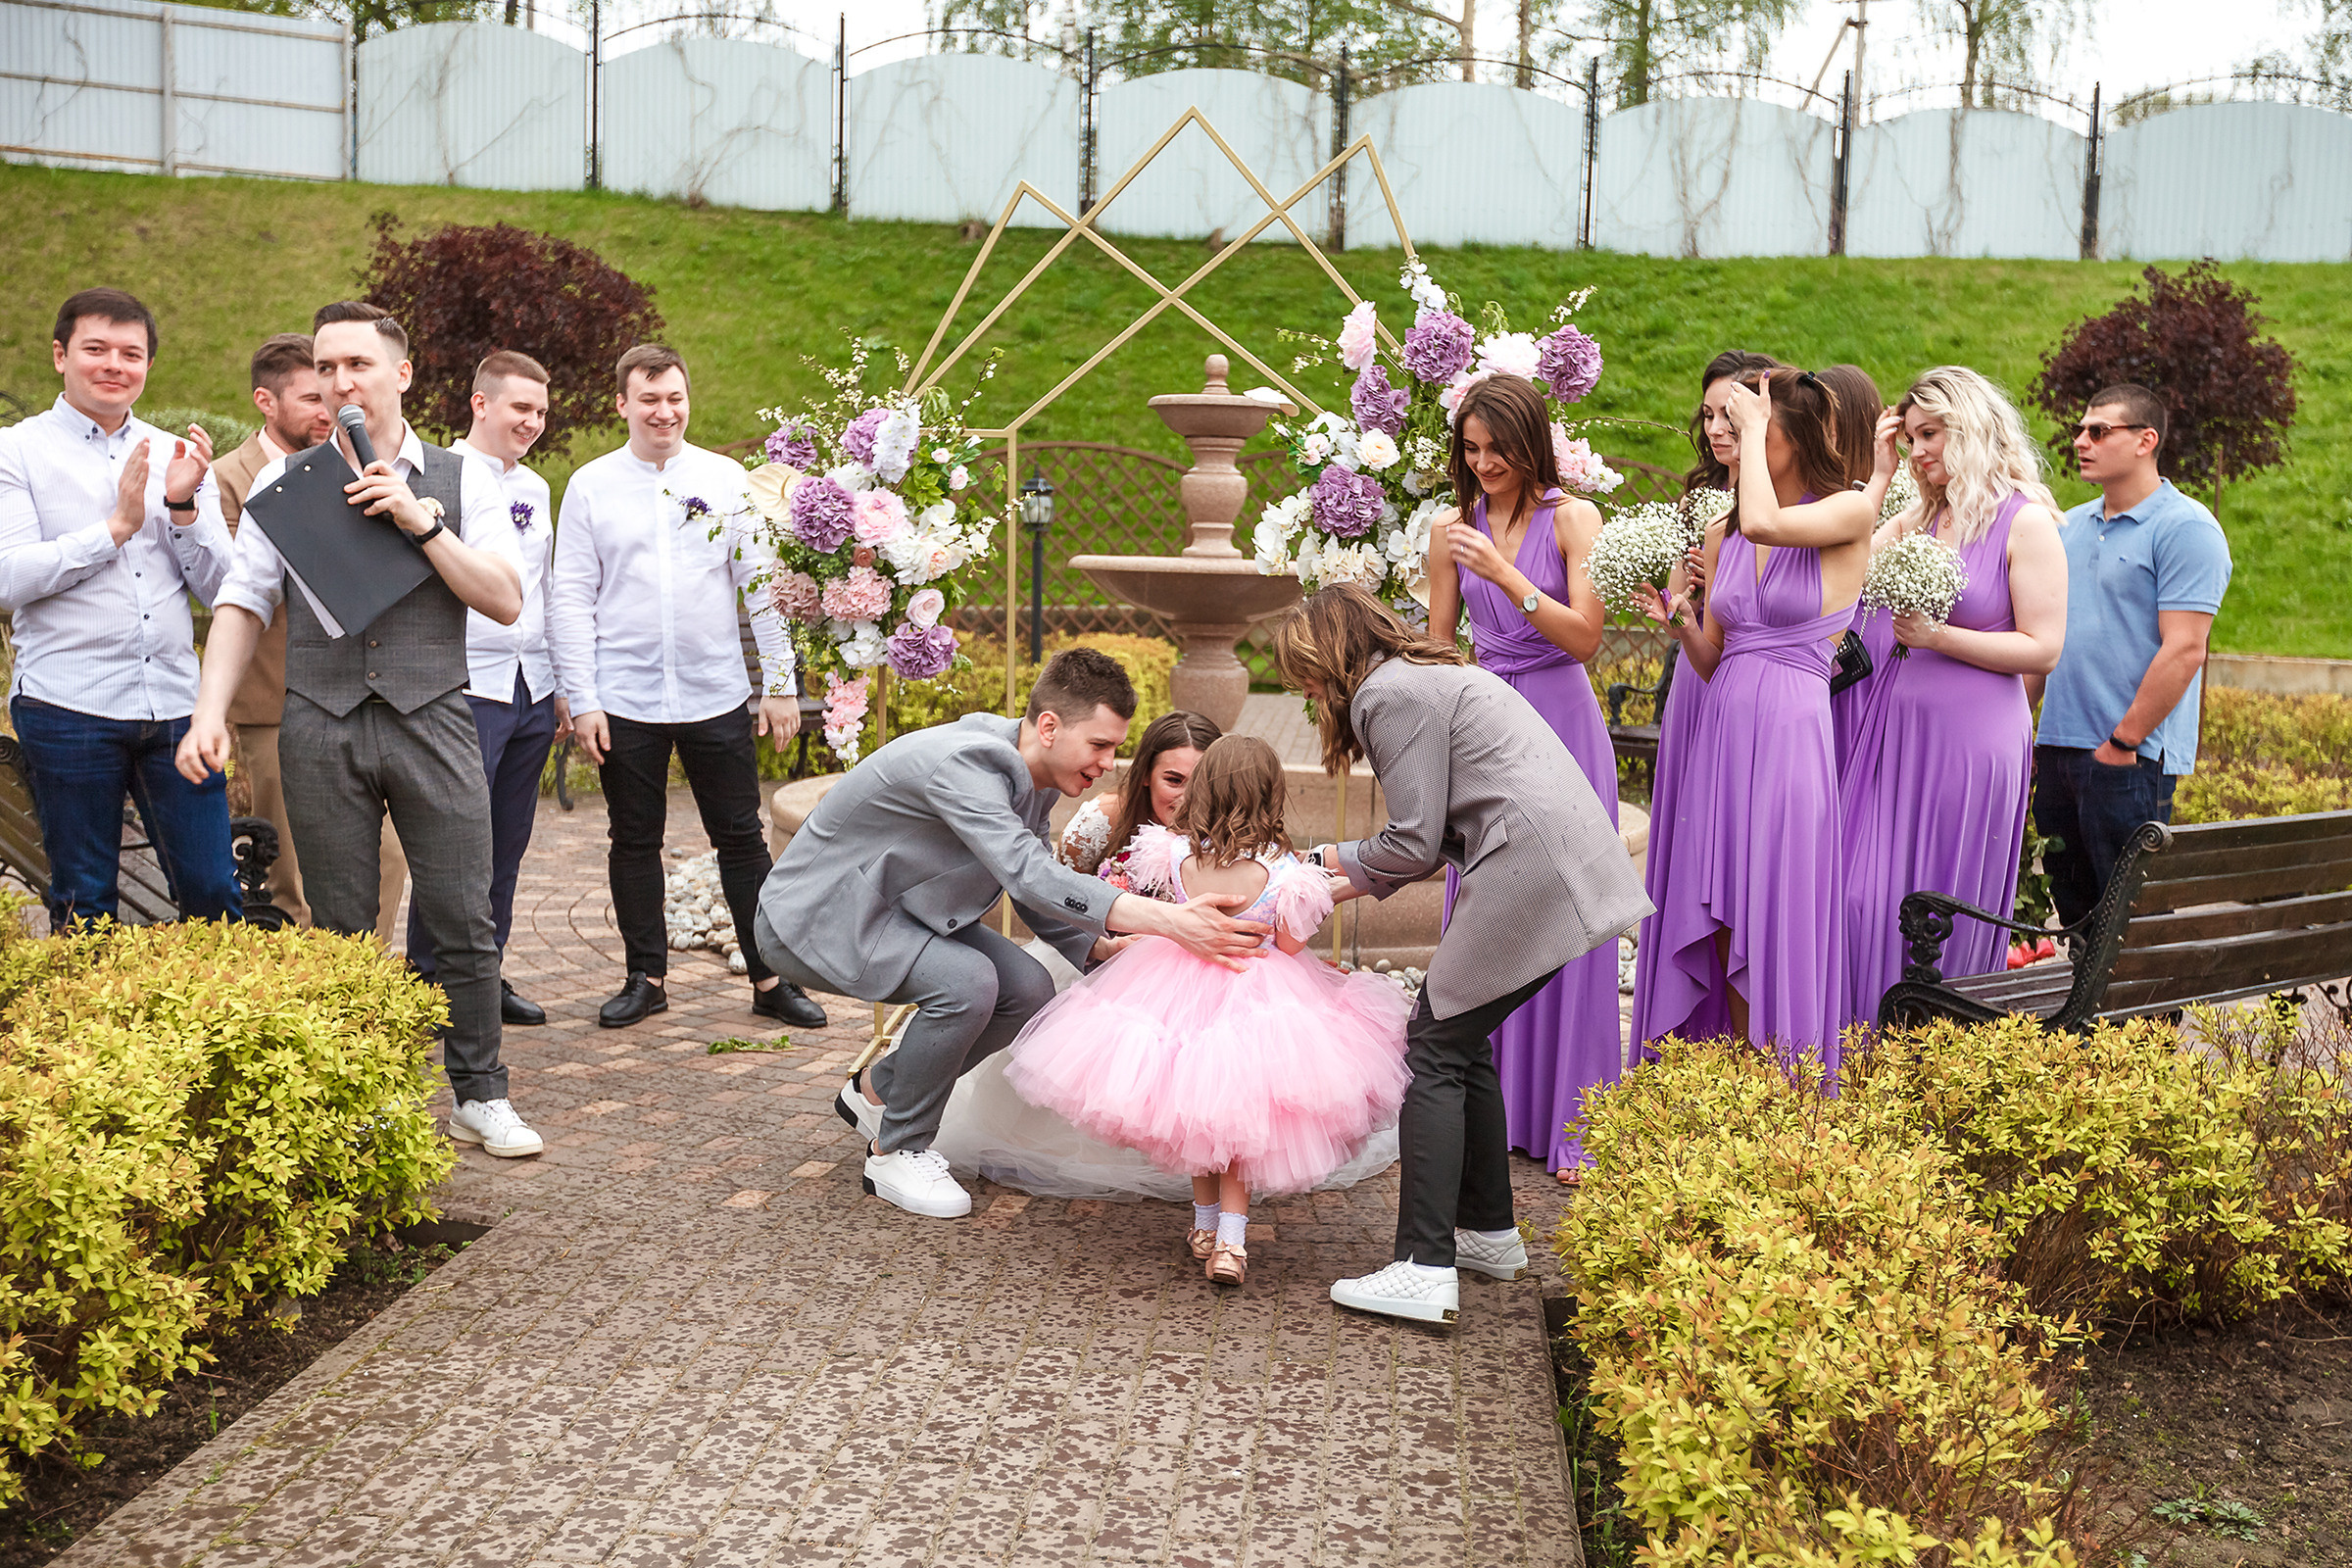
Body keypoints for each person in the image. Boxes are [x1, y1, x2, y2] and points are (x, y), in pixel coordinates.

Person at [175, 300, 541, 1158]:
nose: (341, 382)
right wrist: (208, 712)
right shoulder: (282, 484)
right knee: (339, 922)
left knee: (461, 915)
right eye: (328, 367)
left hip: (435, 715)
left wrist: (422, 520)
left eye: (359, 365)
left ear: (401, 375)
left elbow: (506, 600)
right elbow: (240, 601)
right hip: (319, 720)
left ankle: (481, 1093)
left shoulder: (463, 477)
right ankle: (365, 1092)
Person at [752, 648, 1273, 1221]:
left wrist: (1093, 947)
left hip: (899, 912)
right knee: (968, 981)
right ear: (1048, 726)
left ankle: (878, 1088)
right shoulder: (965, 764)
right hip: (820, 920)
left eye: (1115, 748)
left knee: (1027, 988)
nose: (1107, 762)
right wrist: (1170, 920)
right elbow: (1028, 871)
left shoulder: (1034, 772)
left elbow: (1025, 881)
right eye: (1099, 745)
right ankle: (898, 1148)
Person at [1276, 586, 1650, 1327]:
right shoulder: (1421, 676)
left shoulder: (1386, 695)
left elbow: (1411, 842)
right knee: (1459, 1035)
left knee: (1433, 1048)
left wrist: (1311, 860)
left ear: (1332, 655)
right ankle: (1488, 1233)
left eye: (1306, 674)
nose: (1307, 691)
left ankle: (1423, 1265)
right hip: (1552, 858)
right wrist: (1326, 886)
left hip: (1530, 865)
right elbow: (1427, 842)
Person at [1004, 735, 1411, 1285]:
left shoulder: (1173, 854)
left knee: (1198, 1116)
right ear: (1271, 795)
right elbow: (1289, 947)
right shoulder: (1287, 875)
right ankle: (1231, 1245)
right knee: (1239, 1126)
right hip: (1258, 998)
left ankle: (1201, 1226)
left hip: (1174, 987)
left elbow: (1167, 912)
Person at [549, 344, 825, 1033]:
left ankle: (769, 977)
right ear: (622, 405)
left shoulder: (725, 478)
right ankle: (645, 976)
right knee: (632, 839)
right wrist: (581, 698)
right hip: (624, 699)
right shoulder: (590, 485)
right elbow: (571, 597)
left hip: (716, 693)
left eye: (674, 397)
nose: (664, 411)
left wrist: (781, 685)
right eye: (649, 399)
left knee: (741, 839)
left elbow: (760, 587)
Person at [1636, 368, 1882, 1086]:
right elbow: (1716, 657)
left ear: (1795, 437)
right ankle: (1737, 1093)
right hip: (1723, 730)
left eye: (1752, 431)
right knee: (1720, 927)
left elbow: (1770, 522)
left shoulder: (1846, 513)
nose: (1734, 444)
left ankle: (1786, 1090)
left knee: (1772, 922)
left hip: (1789, 735)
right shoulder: (1721, 531)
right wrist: (1681, 622)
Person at [1421, 373, 1619, 1183]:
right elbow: (1438, 649)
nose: (1483, 462)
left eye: (1496, 448)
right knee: (1486, 914)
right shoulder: (1448, 530)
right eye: (1470, 450)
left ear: (1529, 442)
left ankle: (1574, 1118)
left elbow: (1585, 640)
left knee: (1570, 917)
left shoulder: (1574, 518)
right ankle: (1484, 1114)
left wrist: (1506, 577)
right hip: (1489, 722)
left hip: (1565, 722)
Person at [0, 288, 241, 930]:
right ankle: (87, 1029)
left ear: (148, 366)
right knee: (85, 901)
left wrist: (184, 508)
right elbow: (6, 579)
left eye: (131, 353)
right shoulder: (16, 450)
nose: (114, 364)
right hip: (67, 705)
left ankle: (204, 1027)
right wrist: (114, 528)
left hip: (174, 708)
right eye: (96, 349)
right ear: (60, 356)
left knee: (213, 890)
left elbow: (224, 592)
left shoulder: (177, 455)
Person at [1837, 368, 2066, 1028]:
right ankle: (1862, 1052)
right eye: (1908, 439)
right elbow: (1842, 588)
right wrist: (1879, 477)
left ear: (1969, 428)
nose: (1918, 452)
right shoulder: (1911, 521)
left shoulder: (2026, 525)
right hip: (1891, 737)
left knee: (1944, 907)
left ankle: (1937, 1058)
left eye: (1929, 434)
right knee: (1861, 898)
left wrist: (1940, 637)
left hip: (1973, 741)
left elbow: (2042, 648)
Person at [403, 351, 567, 1027]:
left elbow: (549, 591)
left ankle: (485, 976)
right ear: (480, 403)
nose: (531, 422)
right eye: (519, 408)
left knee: (507, 842)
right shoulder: (438, 476)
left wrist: (559, 684)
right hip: (467, 684)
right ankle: (423, 984)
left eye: (540, 412)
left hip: (530, 689)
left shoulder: (535, 488)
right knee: (451, 849)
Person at [2031, 382, 2231, 927]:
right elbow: (2042, 639)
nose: (2080, 441)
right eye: (2079, 430)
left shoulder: (2186, 528)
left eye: (2098, 431)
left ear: (2146, 440)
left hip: (2128, 758)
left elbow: (2186, 648)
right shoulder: (2066, 526)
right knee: (2075, 916)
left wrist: (2122, 743)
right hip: (2055, 749)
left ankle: (2144, 1020)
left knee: (2132, 925)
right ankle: (2088, 1017)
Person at [1627, 350, 1779, 1055]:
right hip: (1699, 682)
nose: (1717, 428)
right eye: (1709, 414)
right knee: (1691, 859)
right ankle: (1688, 1039)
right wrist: (1679, 595)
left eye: (1730, 414)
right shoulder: (1696, 501)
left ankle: (1748, 1037)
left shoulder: (1783, 504)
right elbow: (1679, 601)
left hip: (1761, 693)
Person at [211, 331, 333, 927]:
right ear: (266, 401)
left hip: (353, 694)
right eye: (311, 398)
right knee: (287, 871)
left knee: (386, 855)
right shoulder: (225, 479)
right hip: (274, 699)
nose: (326, 410)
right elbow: (242, 584)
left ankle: (364, 975)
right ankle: (306, 991)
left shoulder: (351, 460)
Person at [1818, 363, 1895, 772]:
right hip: (1821, 645)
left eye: (1825, 422)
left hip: (1871, 646)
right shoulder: (1814, 492)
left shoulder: (1895, 491)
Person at [1056, 710, 1222, 878]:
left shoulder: (1231, 827)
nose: (1188, 799)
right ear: (1146, 775)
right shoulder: (1104, 819)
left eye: (1202, 784)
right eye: (1174, 780)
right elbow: (1058, 891)